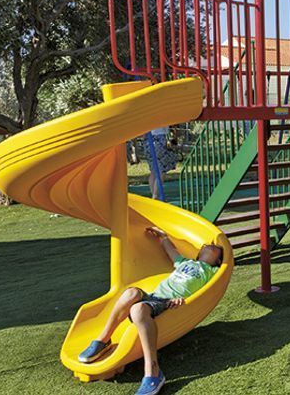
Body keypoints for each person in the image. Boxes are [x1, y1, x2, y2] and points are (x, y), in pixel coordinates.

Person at [77, 227, 224, 395]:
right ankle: (103, 340)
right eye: (206, 245)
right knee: (131, 293)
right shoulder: (184, 262)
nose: (209, 245)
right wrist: (163, 236)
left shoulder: (212, 272)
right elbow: (170, 250)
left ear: (218, 259)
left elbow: (214, 284)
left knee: (138, 309)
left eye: (215, 248)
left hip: (167, 302)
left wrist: (186, 301)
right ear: (199, 253)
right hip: (153, 296)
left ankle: (153, 371)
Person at [146, 127, 177, 201]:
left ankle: (154, 195)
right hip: (160, 139)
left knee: (153, 171)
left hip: (148, 140)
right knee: (162, 171)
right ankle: (155, 196)